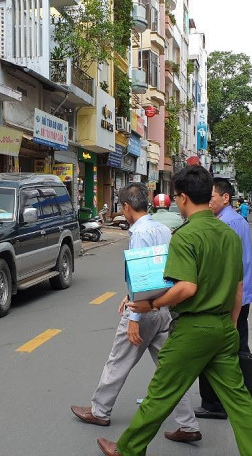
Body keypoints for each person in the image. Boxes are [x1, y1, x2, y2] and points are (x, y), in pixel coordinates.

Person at [96, 166, 252, 456]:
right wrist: (229, 325)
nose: (176, 201)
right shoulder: (227, 233)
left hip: (194, 328)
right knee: (240, 401)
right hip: (224, 327)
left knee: (161, 393)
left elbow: (186, 288)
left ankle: (127, 449)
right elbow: (239, 288)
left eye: (176, 196)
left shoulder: (186, 235)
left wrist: (149, 304)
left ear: (184, 197)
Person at [71, 183, 201, 442]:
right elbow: (163, 272)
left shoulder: (140, 234)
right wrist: (129, 295)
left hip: (145, 310)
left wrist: (134, 317)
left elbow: (143, 280)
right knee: (170, 370)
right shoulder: (163, 229)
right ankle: (188, 425)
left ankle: (100, 411)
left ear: (127, 208)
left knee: (118, 361)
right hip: (163, 307)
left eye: (122, 208)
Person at [192, 178, 252, 419]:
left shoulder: (227, 223)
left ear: (225, 198)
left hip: (230, 296)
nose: (208, 203)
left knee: (229, 349)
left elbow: (223, 266)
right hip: (238, 294)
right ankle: (241, 401)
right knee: (236, 346)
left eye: (211, 198)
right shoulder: (230, 220)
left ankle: (221, 403)